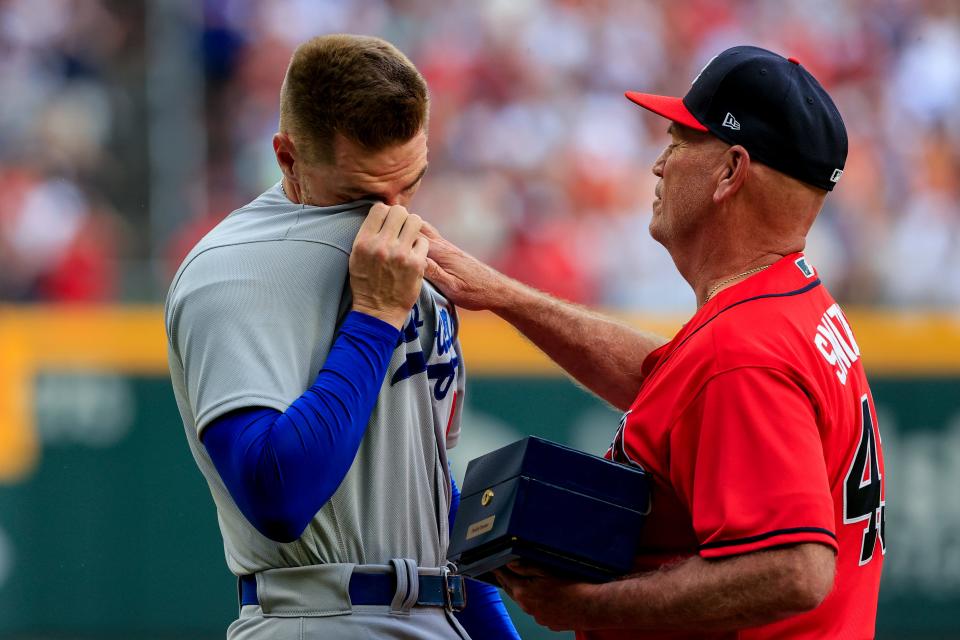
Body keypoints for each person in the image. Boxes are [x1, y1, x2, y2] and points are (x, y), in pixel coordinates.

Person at [423, 46, 885, 639]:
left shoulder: (743, 352)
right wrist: (506, 297)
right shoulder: (788, 303)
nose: (659, 164)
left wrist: (586, 608)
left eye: (680, 141)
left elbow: (795, 571)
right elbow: (673, 382)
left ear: (731, 172)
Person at [165, 34, 518, 639]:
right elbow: (279, 495)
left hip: (440, 614)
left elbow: (428, 497)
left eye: (410, 184)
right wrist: (376, 317)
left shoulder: (417, 269)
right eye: (362, 194)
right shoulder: (233, 268)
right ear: (288, 159)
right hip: (321, 614)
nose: (392, 215)